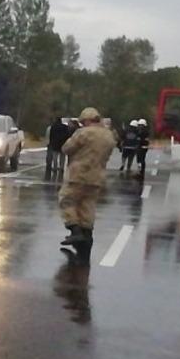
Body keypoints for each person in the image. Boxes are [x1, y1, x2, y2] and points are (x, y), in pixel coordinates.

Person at [59, 107, 118, 260]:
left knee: (66, 199)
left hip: (78, 174)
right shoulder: (109, 135)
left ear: (86, 120)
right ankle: (86, 234)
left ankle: (75, 229)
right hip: (98, 176)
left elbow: (66, 148)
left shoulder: (84, 133)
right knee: (88, 204)